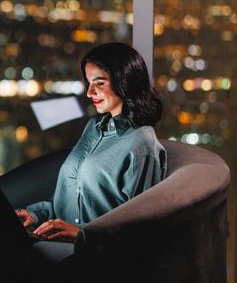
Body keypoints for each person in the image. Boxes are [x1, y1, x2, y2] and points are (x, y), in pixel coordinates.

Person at [15, 41, 167, 246]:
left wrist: (82, 235)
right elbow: (70, 205)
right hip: (57, 241)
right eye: (88, 83)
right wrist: (35, 215)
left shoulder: (142, 145)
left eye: (100, 83)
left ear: (125, 82)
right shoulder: (93, 128)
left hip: (94, 253)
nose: (89, 92)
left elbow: (140, 229)